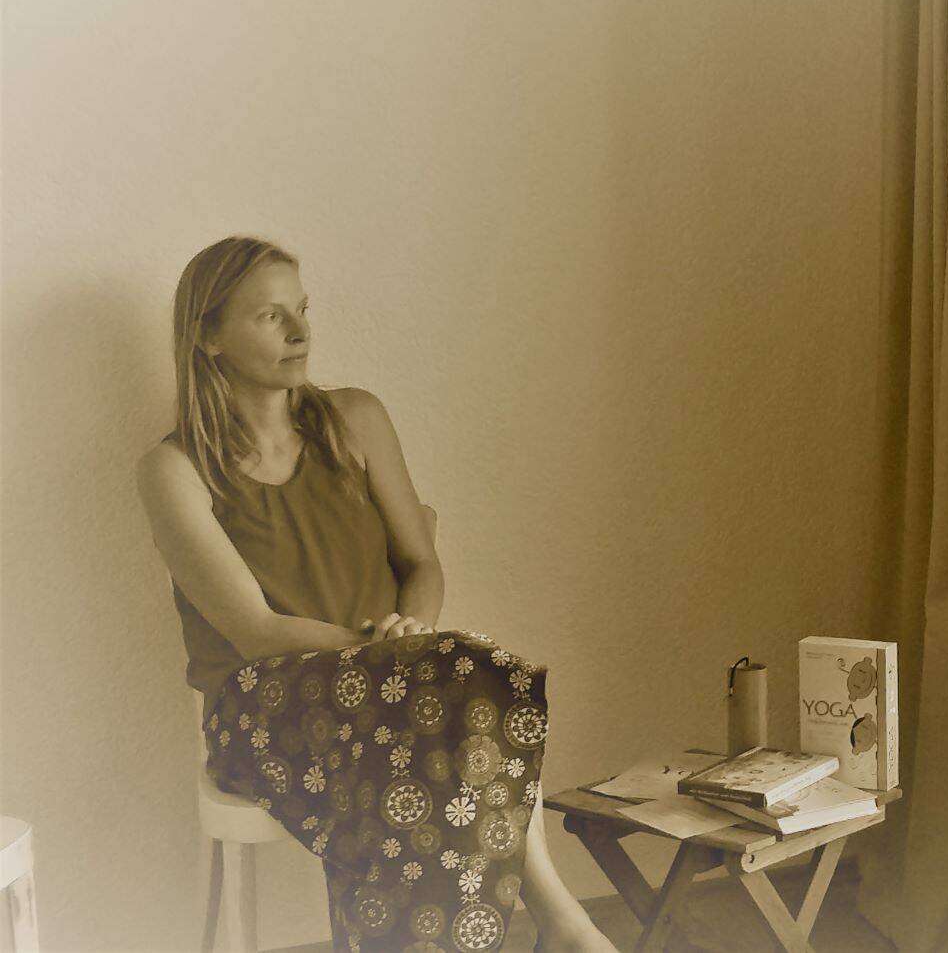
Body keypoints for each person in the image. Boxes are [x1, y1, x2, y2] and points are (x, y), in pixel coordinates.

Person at [135, 236, 616, 953]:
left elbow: (421, 561)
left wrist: (410, 635)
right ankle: (560, 917)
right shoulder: (174, 469)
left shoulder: (356, 418)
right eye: (270, 317)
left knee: (454, 703)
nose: (299, 332)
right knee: (457, 694)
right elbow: (255, 630)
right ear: (209, 337)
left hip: (397, 685)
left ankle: (531, 927)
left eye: (302, 310)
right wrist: (387, 650)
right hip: (264, 708)